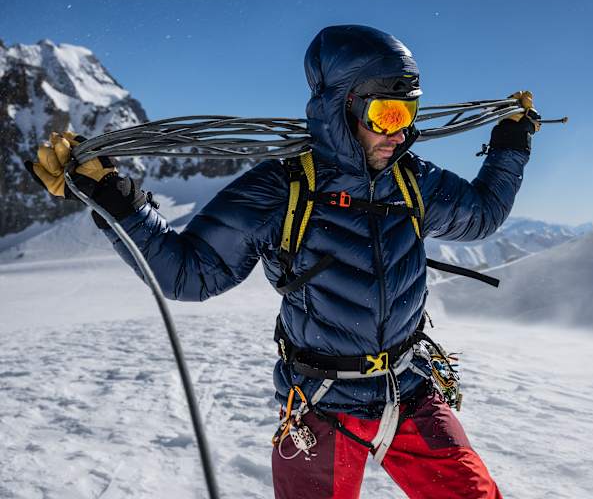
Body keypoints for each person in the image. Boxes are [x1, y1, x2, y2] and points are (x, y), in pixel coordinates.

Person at [27, 25, 539, 498]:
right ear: (344, 106)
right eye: (387, 114)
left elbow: (481, 215)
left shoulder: (415, 180)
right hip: (320, 406)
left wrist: (511, 145)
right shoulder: (281, 190)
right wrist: (116, 202)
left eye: (409, 112)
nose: (400, 133)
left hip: (410, 391)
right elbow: (190, 273)